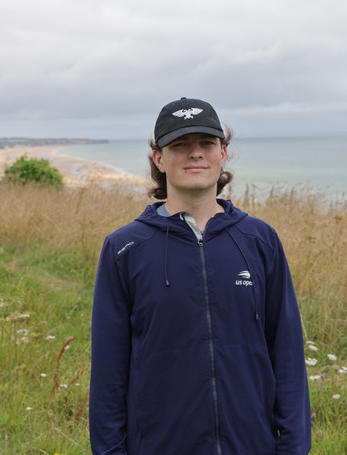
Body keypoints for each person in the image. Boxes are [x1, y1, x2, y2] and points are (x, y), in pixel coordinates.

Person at [89, 97, 311, 454]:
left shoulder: (259, 240)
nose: (195, 153)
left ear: (222, 153)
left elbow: (286, 352)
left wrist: (293, 446)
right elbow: (108, 371)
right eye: (180, 145)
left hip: (251, 445)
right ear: (159, 159)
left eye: (206, 143)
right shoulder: (124, 248)